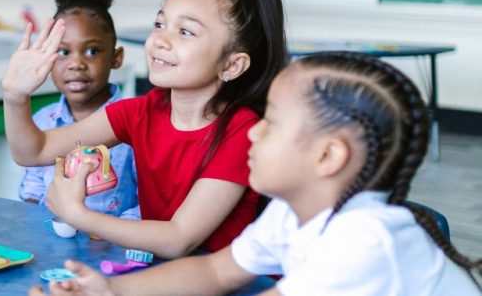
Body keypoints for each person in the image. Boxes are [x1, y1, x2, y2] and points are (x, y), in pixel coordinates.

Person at [30, 52, 482, 296]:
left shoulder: (363, 240)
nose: (253, 133)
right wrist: (112, 290)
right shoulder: (292, 213)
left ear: (328, 156)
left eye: (274, 122)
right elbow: (214, 273)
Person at [3, 0, 289, 257]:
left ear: (231, 65)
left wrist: (79, 216)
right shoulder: (141, 111)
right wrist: (15, 96)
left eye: (185, 31)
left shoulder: (243, 132)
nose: (160, 40)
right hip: (159, 274)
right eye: (159, 24)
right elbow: (34, 151)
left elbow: (179, 238)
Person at [18, 0, 139, 220]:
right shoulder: (43, 121)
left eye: (92, 51)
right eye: (63, 52)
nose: (76, 64)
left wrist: (114, 236)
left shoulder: (136, 125)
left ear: (116, 58)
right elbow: (32, 191)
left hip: (113, 247)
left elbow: (148, 204)